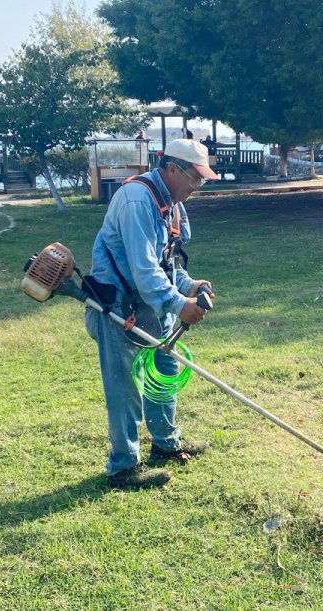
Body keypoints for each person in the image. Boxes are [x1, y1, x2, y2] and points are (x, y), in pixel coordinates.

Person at [87, 138, 220, 490]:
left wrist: (189, 285)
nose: (198, 186)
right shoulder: (137, 201)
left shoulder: (172, 202)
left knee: (163, 371)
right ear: (172, 168)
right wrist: (180, 305)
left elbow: (167, 260)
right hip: (117, 305)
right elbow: (145, 269)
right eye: (196, 178)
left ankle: (164, 444)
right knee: (125, 386)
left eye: (203, 180)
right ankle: (123, 468)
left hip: (150, 303)